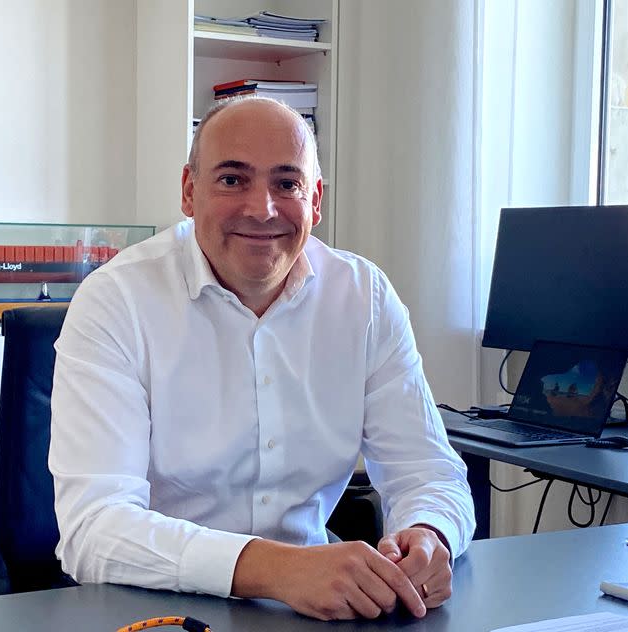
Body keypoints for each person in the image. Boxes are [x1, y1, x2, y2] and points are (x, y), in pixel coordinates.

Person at [49, 96, 475, 621]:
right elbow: (94, 529)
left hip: (316, 612)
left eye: (286, 183)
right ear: (189, 190)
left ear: (315, 200)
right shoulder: (117, 301)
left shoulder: (364, 298)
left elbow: (430, 471)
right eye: (232, 179)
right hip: (152, 609)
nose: (261, 208)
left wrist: (429, 534)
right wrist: (278, 569)